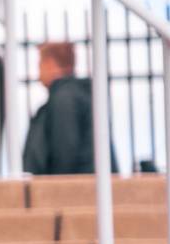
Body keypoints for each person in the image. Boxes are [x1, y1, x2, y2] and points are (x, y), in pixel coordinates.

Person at [23, 41, 116, 175]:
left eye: (40, 64)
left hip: (75, 190)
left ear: (50, 64)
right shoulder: (79, 96)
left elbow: (65, 151)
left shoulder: (64, 98)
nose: (39, 72)